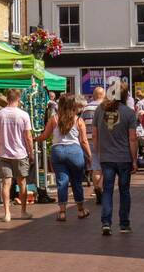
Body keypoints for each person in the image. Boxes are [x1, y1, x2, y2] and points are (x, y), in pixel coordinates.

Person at [37, 92, 92, 222]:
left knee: (62, 182)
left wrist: (34, 138)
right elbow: (83, 141)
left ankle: (62, 213)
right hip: (75, 152)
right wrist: (90, 156)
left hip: (58, 152)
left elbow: (45, 136)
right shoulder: (78, 120)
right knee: (77, 182)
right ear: (73, 105)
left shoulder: (54, 119)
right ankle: (80, 210)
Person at [94, 85, 138, 235]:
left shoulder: (100, 110)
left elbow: (95, 135)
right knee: (124, 191)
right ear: (125, 96)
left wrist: (99, 152)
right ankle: (124, 224)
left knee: (107, 190)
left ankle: (106, 223)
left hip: (106, 157)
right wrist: (134, 159)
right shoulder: (129, 113)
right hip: (124, 157)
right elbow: (132, 139)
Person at [0, 88, 33, 222]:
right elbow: (28, 136)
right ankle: (23, 211)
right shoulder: (24, 115)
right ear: (18, 99)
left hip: (4, 153)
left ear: (7, 98)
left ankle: (7, 213)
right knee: (22, 183)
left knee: (6, 183)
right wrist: (30, 152)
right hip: (20, 153)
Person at [82, 85, 107, 201]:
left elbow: (81, 123)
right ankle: (101, 188)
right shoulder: (106, 107)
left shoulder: (86, 107)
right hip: (104, 140)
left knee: (95, 167)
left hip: (89, 139)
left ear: (94, 95)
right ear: (103, 95)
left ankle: (96, 187)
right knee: (106, 166)